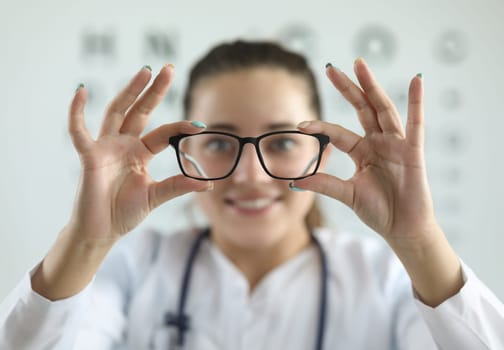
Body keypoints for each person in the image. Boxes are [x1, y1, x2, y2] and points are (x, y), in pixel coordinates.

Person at [0, 40, 503, 350]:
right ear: (185, 150)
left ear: (324, 153)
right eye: (219, 142)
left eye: (282, 141)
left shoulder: (384, 279)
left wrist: (420, 242)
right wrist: (85, 242)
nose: (249, 175)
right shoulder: (135, 269)